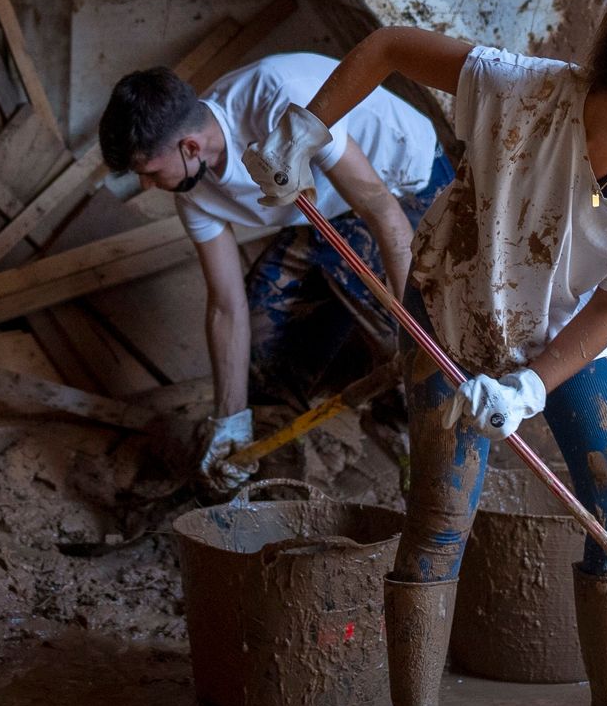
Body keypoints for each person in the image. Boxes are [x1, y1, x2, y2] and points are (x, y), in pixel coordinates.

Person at [255, 0, 607, 706]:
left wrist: (531, 386)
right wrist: (311, 125)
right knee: (443, 517)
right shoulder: (520, 91)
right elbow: (389, 45)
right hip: (459, 312)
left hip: (574, 333)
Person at [94, 51, 449, 489]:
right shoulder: (191, 188)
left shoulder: (280, 100)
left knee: (404, 345)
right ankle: (274, 473)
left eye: (148, 172)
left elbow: (382, 212)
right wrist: (230, 417)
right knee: (266, 331)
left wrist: (412, 330)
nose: (146, 185)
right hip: (326, 211)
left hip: (405, 185)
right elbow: (226, 305)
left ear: (189, 146)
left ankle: (423, 463)